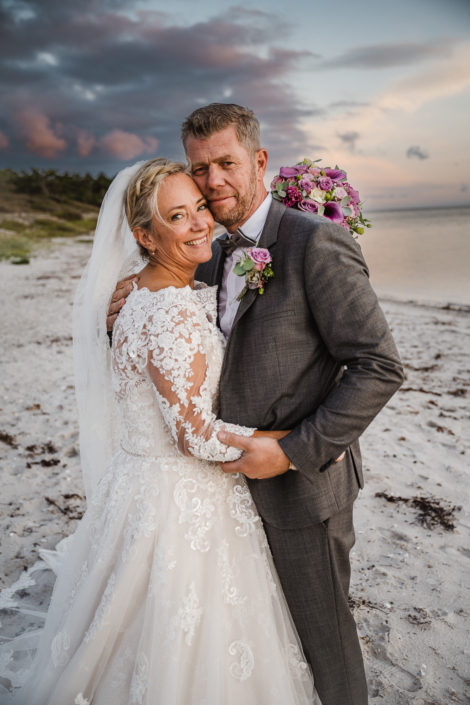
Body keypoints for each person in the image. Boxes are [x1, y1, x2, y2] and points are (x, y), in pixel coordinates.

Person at [108, 104, 404, 705]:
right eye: (200, 168)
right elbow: (172, 346)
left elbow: (379, 366)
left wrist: (293, 451)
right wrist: (124, 309)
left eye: (226, 163)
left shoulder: (314, 241)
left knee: (324, 645)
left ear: (260, 160)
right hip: (223, 497)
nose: (213, 180)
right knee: (263, 648)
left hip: (301, 490)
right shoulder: (210, 252)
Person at [0, 158, 320, 705]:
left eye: (200, 207)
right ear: (145, 236)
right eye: (178, 216)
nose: (200, 224)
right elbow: (193, 435)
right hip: (181, 500)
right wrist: (292, 441)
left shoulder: (144, 295)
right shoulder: (170, 309)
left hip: (138, 486)